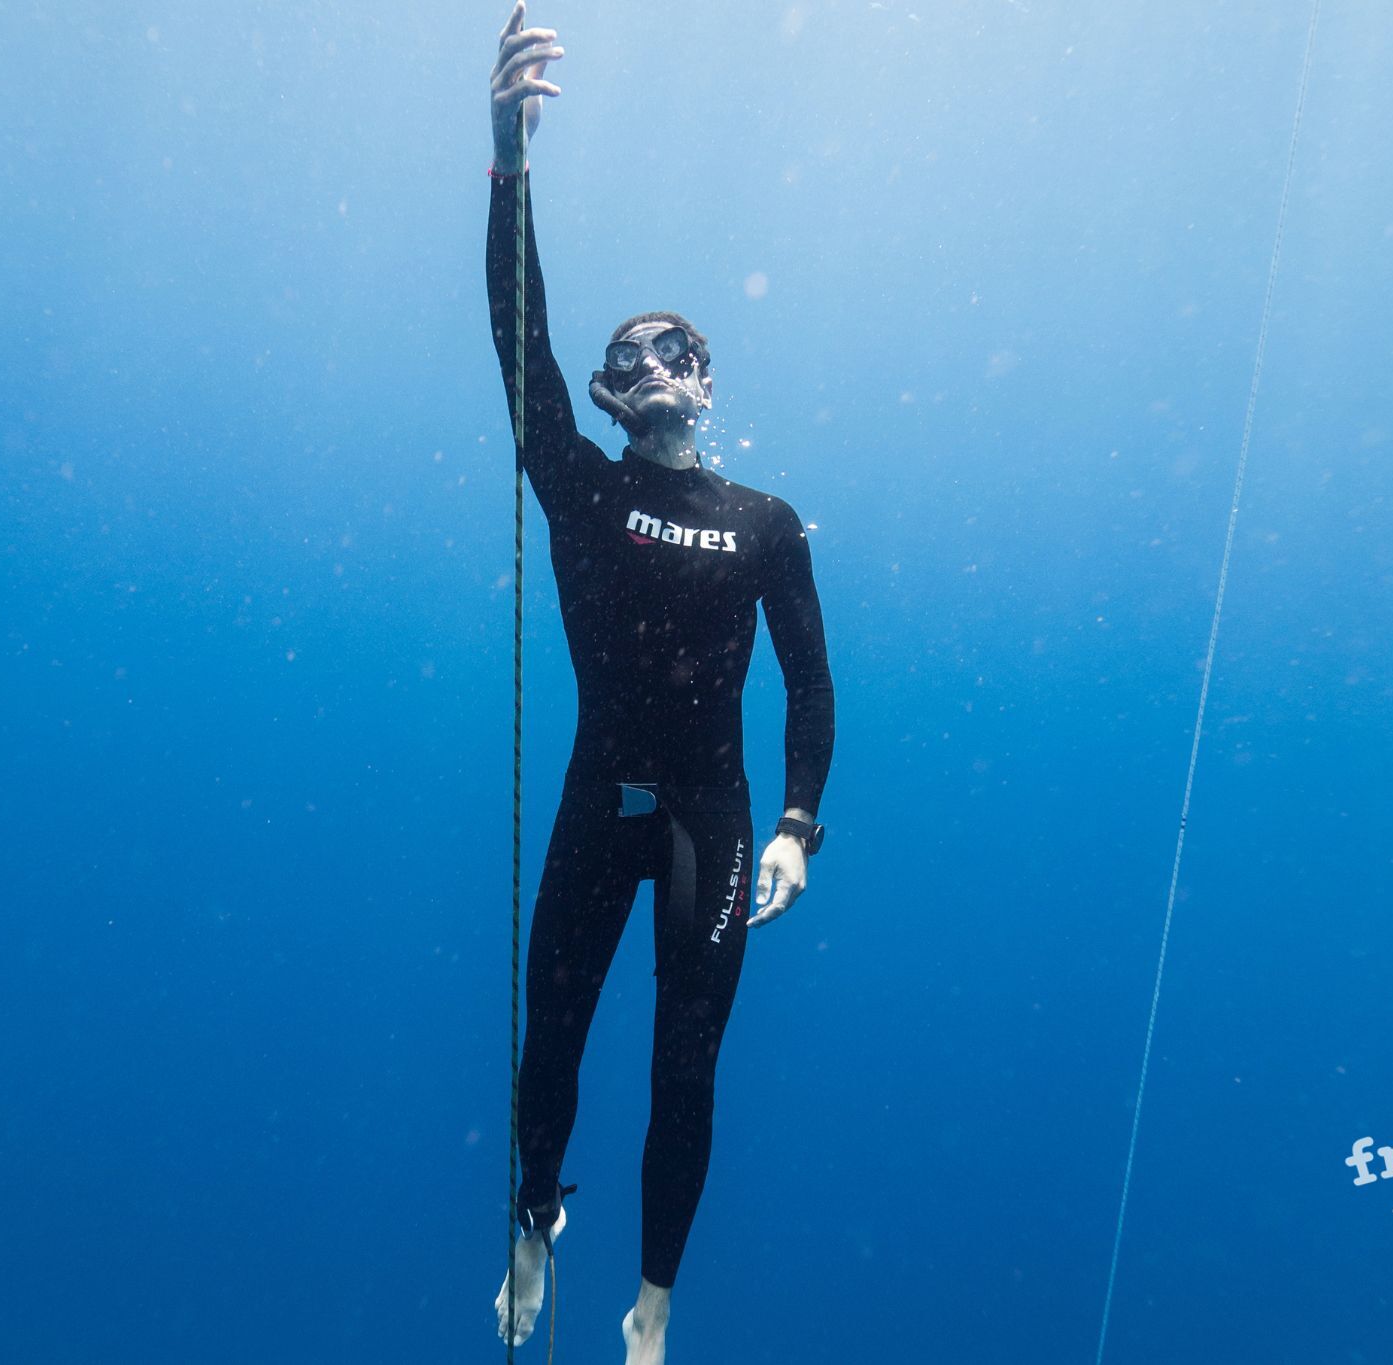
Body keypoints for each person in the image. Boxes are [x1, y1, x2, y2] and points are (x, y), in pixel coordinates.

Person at [484, 5, 836, 1361]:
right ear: (607, 393)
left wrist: (800, 823)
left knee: (684, 1063)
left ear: (706, 375)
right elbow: (519, 343)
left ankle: (652, 1306)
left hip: (713, 813)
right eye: (622, 359)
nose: (648, 366)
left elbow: (809, 687)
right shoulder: (576, 484)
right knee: (553, 1044)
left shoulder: (765, 522)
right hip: (599, 796)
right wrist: (507, 162)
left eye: (670, 348)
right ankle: (531, 1214)